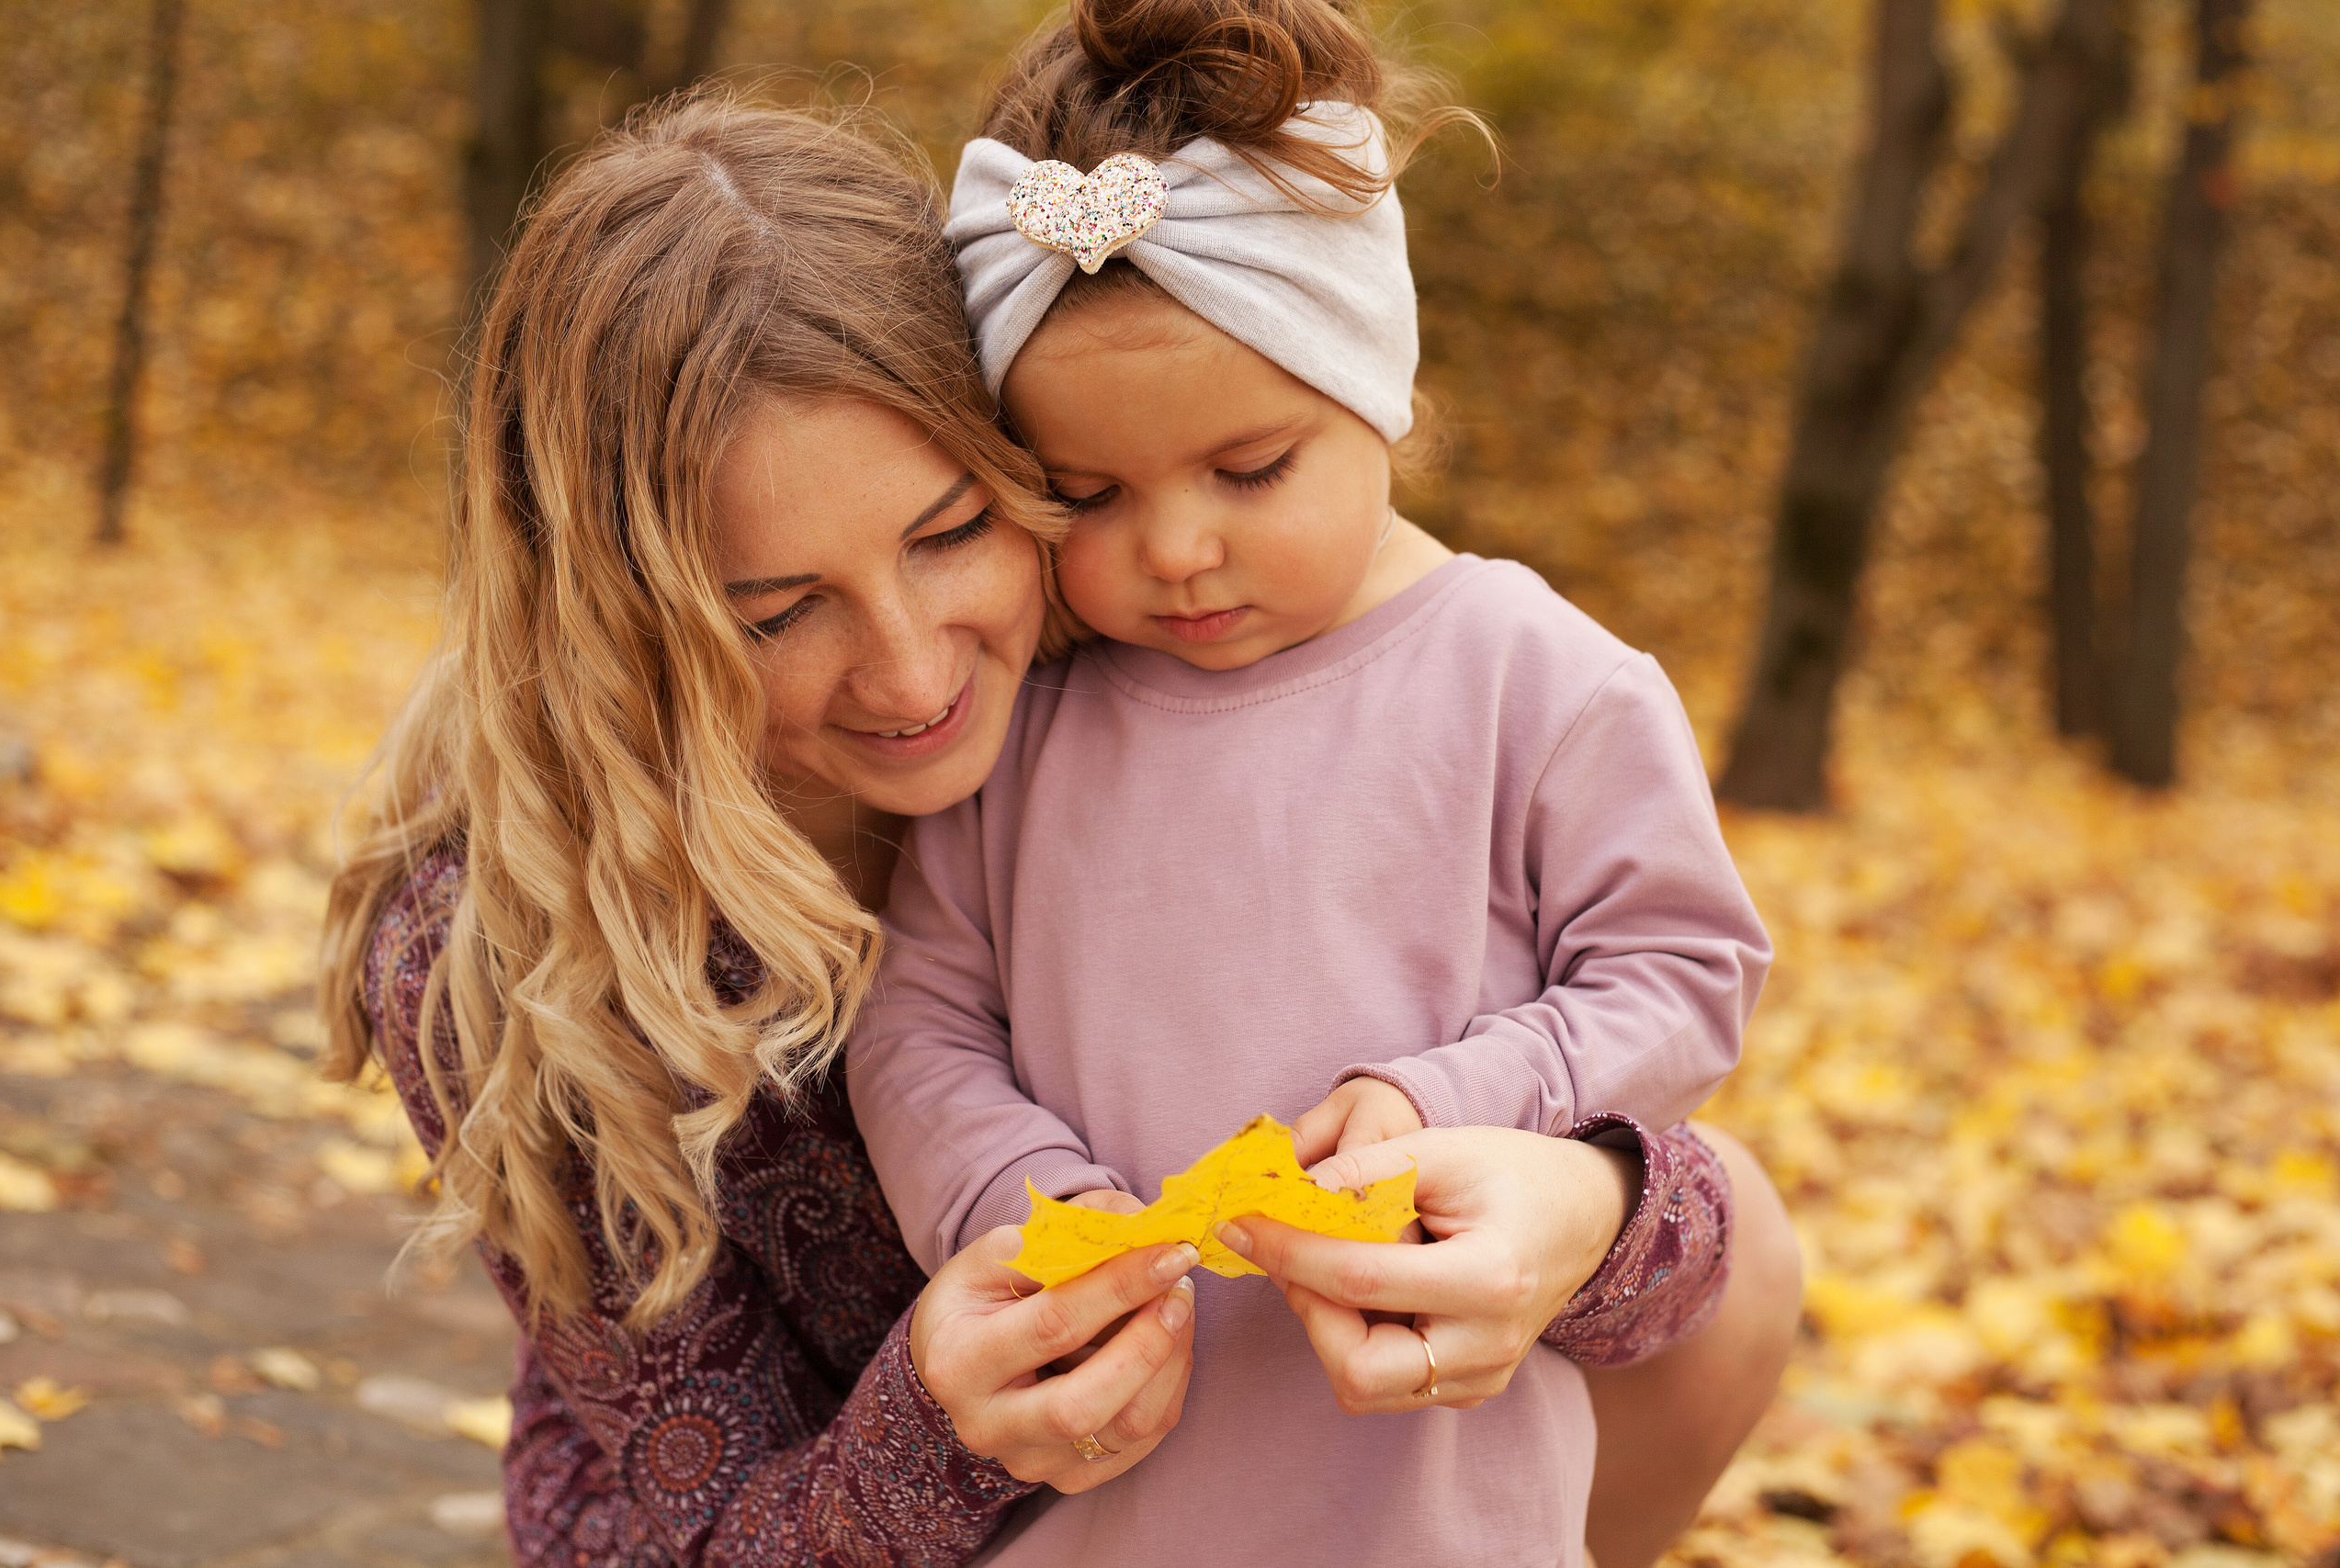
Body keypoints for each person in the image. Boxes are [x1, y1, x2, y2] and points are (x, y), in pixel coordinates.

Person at [318, 93, 1794, 1568]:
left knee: (1742, 1230)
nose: (913, 677)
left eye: (956, 531)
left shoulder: (1155, 642)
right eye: (775, 614)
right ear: (618, 620)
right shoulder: (499, 942)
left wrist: (1587, 1208)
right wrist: (931, 1436)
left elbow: (1660, 1127)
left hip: (1322, 1486)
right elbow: (706, 1524)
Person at [842, 2, 1776, 1563]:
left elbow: (1683, 972)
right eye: (1087, 495)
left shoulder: (1538, 683)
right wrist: (1011, 1199)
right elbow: (923, 1011)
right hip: (1091, 1489)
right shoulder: (1042, 709)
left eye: (1251, 468)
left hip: (1424, 1487)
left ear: (1383, 389)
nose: (1178, 547)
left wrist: (1452, 1101)